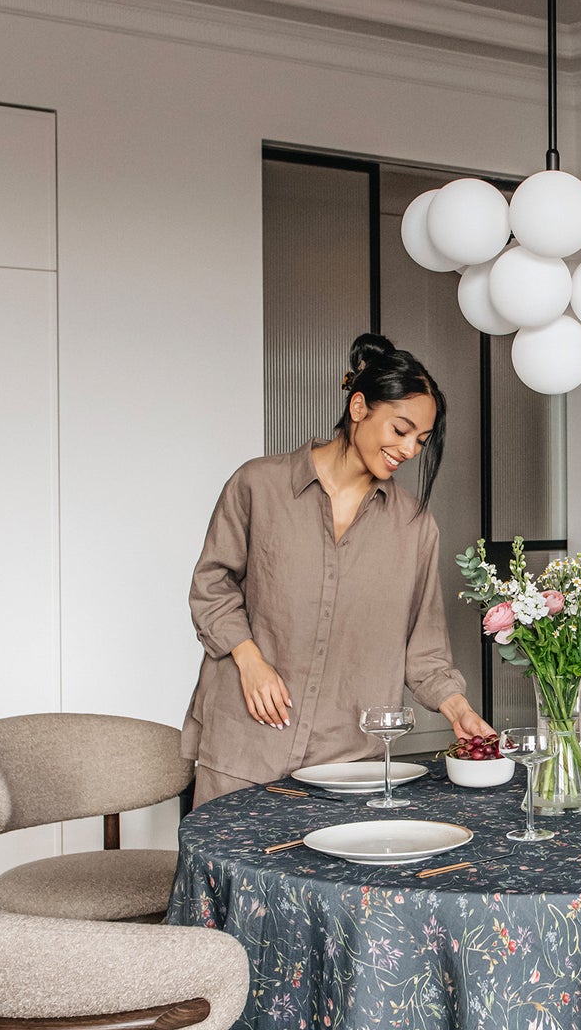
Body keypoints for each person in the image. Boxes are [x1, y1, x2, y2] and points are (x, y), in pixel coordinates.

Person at [181, 331, 493, 806]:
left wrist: (459, 709)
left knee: (327, 882)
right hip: (243, 745)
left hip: (346, 763)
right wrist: (249, 659)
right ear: (360, 407)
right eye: (401, 430)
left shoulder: (415, 528)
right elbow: (211, 586)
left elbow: (424, 649)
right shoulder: (257, 486)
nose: (410, 450)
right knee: (225, 880)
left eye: (421, 441)